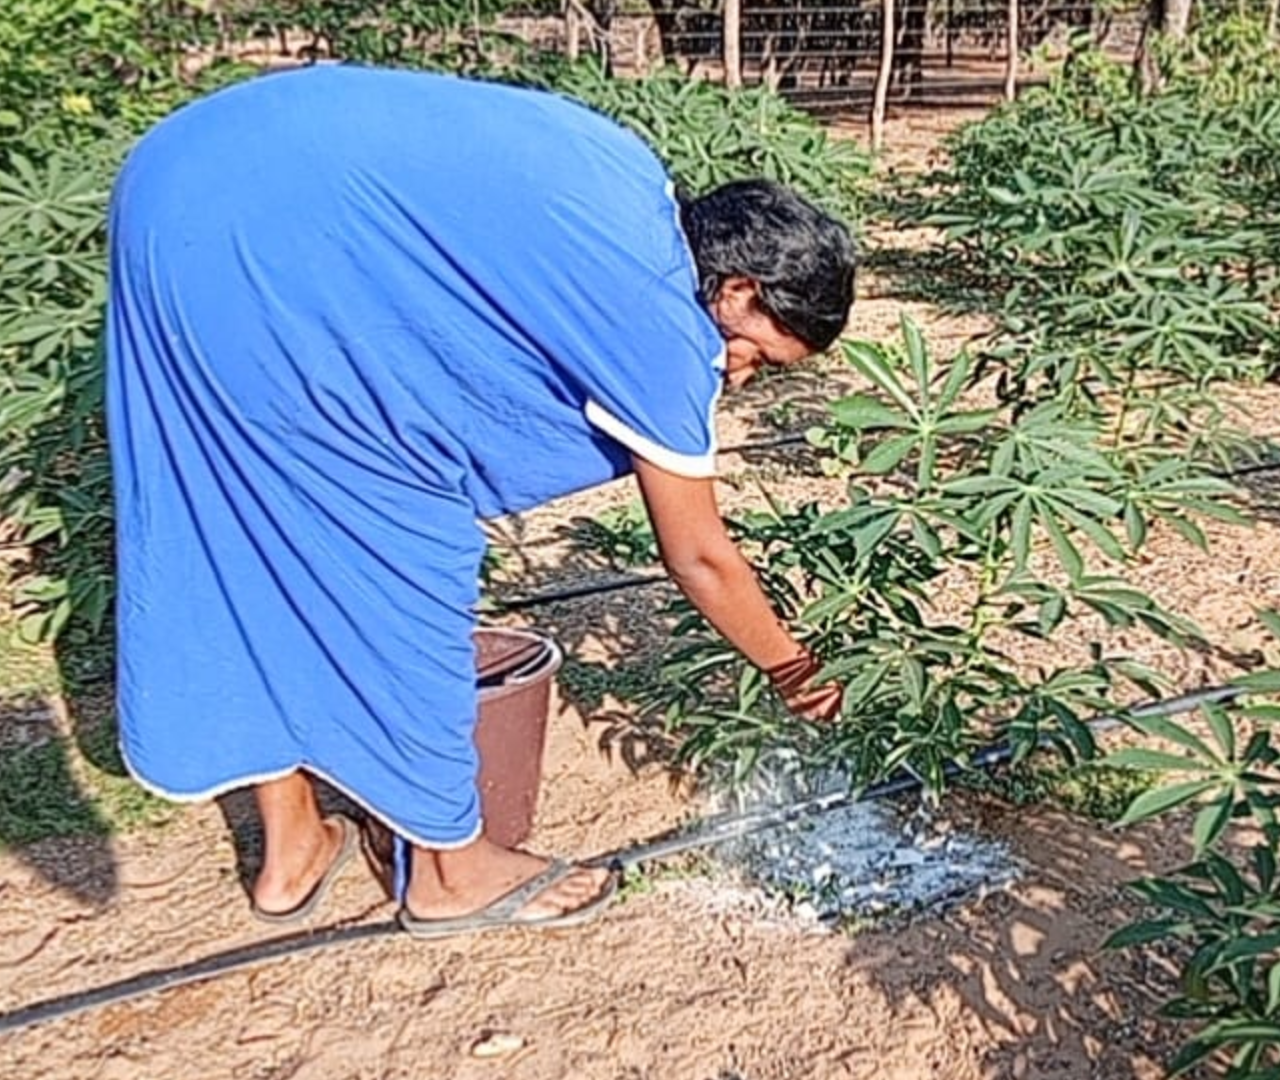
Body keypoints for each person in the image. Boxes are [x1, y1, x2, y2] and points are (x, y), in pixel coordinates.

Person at [104, 63, 852, 938]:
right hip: (256, 237)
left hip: (181, 183)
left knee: (241, 527)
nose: (736, 370)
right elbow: (699, 555)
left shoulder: (629, 185)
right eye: (758, 353)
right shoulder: (657, 322)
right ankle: (451, 872)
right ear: (739, 293)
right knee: (401, 541)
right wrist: (792, 670)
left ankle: (294, 847)